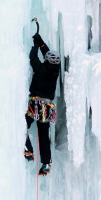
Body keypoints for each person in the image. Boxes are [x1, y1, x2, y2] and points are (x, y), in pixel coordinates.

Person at [25, 32, 60, 176]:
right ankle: (46, 163)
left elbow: (33, 58)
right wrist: (41, 42)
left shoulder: (40, 69)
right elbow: (47, 54)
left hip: (35, 105)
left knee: (23, 125)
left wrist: (35, 45)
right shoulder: (55, 70)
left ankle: (28, 149)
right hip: (46, 108)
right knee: (43, 135)